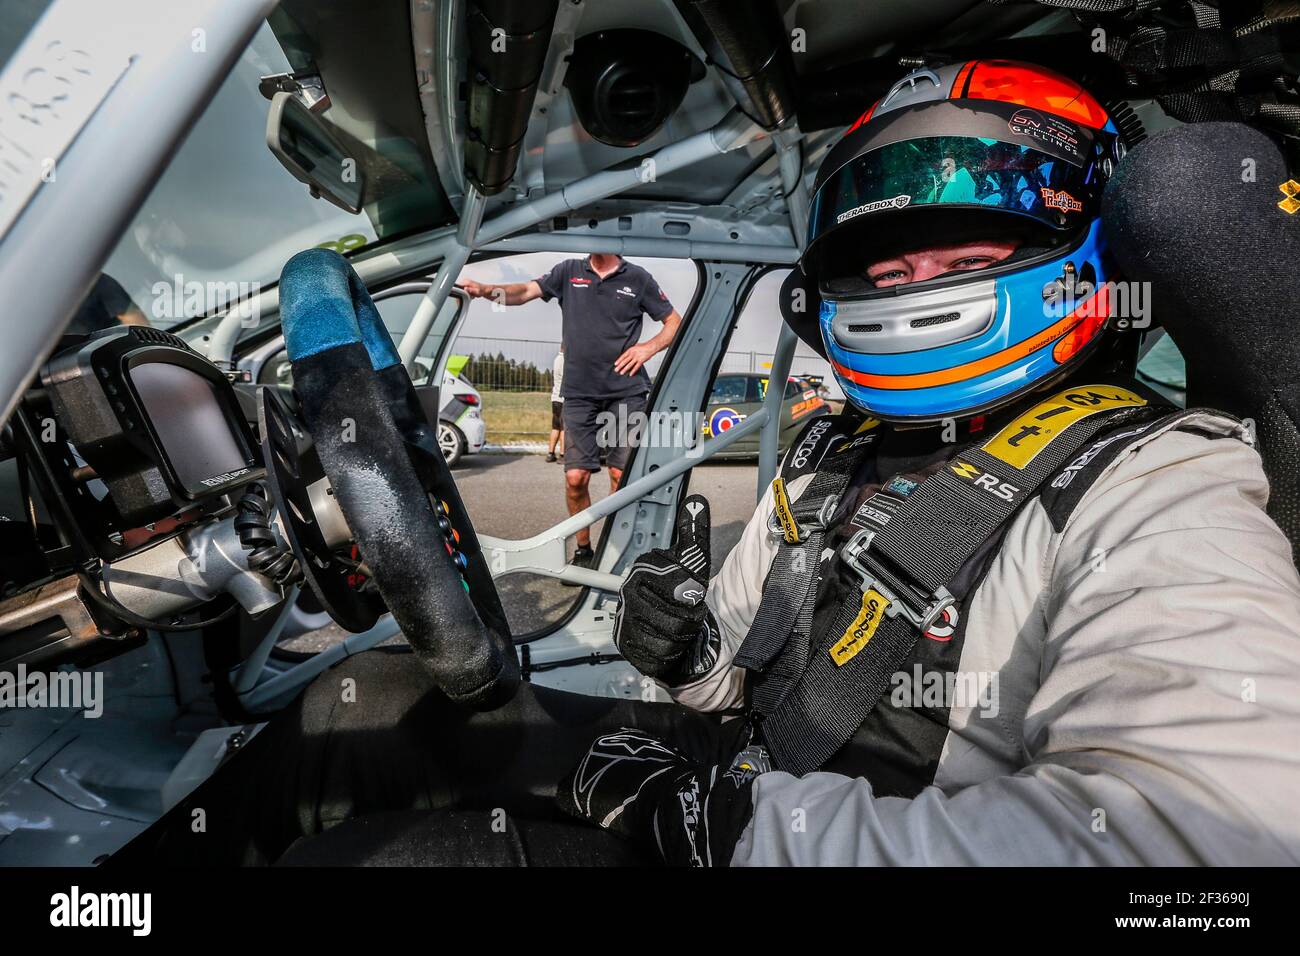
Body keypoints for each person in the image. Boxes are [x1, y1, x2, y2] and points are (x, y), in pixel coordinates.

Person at [130, 61, 1300, 868]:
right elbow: (751, 695)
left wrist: (721, 812)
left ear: (1076, 246)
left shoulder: (1165, 486)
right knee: (359, 704)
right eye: (875, 251)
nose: (904, 279)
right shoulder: (843, 448)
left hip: (845, 835)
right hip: (756, 800)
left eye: (958, 237)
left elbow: (1189, 853)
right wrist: (690, 655)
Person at [457, 254, 683, 572]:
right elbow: (524, 291)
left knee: (621, 478)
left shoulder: (638, 278)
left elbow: (674, 322)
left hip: (627, 394)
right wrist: (486, 290)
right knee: (576, 478)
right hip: (578, 395)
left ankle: (617, 551)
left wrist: (648, 348)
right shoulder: (569, 271)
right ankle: (584, 549)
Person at [547, 346, 564, 464]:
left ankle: (550, 453)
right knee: (564, 428)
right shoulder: (565, 361)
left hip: (555, 398)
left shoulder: (557, 359)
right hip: (564, 398)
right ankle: (563, 454)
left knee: (555, 426)